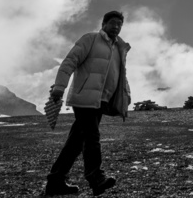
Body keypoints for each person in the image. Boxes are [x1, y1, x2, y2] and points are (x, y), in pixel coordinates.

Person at [44, 10, 129, 197]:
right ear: (104, 24)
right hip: (84, 98)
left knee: (75, 143)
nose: (116, 27)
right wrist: (59, 87)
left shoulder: (119, 48)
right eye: (113, 23)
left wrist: (124, 99)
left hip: (100, 101)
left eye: (119, 24)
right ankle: (96, 178)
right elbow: (70, 61)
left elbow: (121, 77)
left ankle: (55, 182)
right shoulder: (90, 39)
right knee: (92, 136)